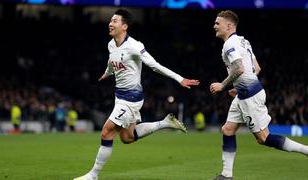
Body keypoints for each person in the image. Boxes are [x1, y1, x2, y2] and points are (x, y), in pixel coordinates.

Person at [74, 9, 200, 180]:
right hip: (120, 96)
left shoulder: (135, 46)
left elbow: (155, 65)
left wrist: (180, 79)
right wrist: (107, 73)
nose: (110, 23)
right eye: (110, 20)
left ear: (124, 26)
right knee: (127, 137)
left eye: (115, 21)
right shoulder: (111, 44)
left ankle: (93, 175)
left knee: (106, 132)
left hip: (131, 98)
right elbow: (112, 62)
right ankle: (165, 122)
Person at [210, 10, 308, 180]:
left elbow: (239, 68)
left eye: (217, 23)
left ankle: (306, 150)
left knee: (263, 138)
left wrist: (223, 85)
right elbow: (256, 67)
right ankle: (226, 175)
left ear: (229, 25)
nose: (214, 26)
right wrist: (239, 87)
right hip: (244, 93)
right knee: (227, 130)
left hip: (250, 96)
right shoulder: (244, 41)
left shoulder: (229, 44)